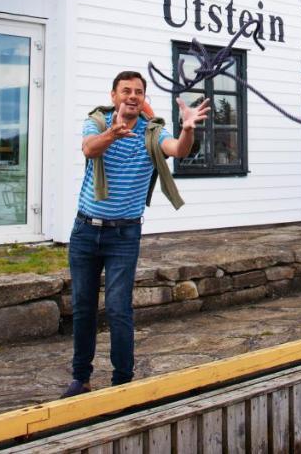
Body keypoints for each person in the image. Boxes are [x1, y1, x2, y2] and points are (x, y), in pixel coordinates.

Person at [62, 70, 209, 398]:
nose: (132, 95)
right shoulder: (98, 123)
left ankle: (121, 382)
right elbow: (89, 149)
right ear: (114, 96)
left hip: (124, 235)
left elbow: (177, 150)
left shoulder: (153, 132)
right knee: (83, 306)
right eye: (125, 90)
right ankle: (81, 378)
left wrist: (187, 130)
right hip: (86, 230)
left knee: (118, 307)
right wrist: (113, 134)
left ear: (143, 98)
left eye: (138, 92)